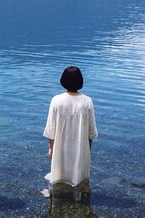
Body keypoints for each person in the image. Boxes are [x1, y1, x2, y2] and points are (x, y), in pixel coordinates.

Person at [43, 66, 98, 199]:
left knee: (58, 177)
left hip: (60, 147)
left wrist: (51, 148)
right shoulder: (87, 101)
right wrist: (88, 150)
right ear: (80, 81)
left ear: (63, 80)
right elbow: (91, 131)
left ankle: (54, 197)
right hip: (80, 147)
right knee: (79, 179)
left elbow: (51, 128)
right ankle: (78, 199)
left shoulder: (56, 100)